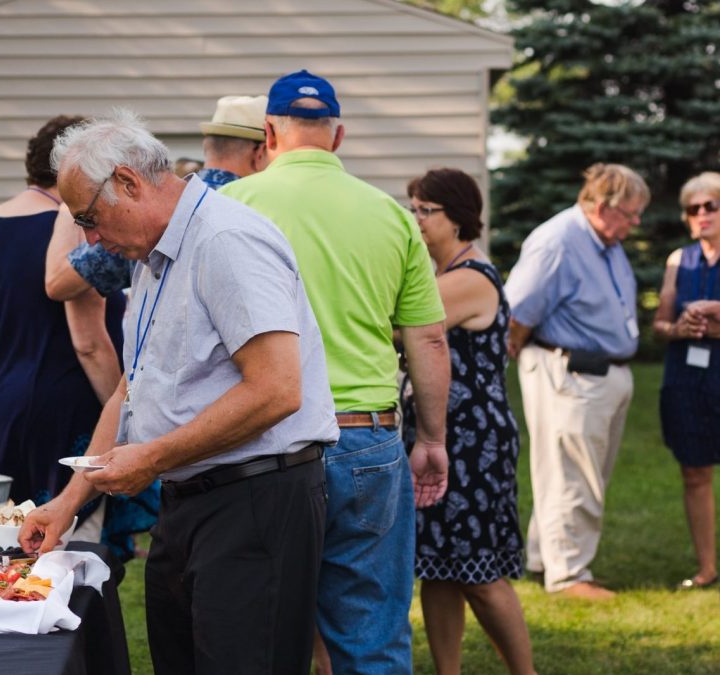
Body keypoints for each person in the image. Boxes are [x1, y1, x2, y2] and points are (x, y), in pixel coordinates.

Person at [19, 110, 339, 675]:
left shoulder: (226, 239)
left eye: (90, 219)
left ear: (128, 182)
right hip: (192, 498)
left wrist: (151, 458)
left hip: (255, 500)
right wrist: (70, 501)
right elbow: (132, 388)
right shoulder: (153, 254)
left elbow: (277, 390)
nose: (91, 238)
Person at [221, 70, 450, 674]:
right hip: (366, 438)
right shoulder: (392, 216)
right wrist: (432, 439)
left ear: (268, 133)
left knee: (261, 631)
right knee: (370, 632)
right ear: (338, 136)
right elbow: (427, 338)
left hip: (262, 437)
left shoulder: (228, 209)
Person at [0, 115, 124, 533]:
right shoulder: (76, 230)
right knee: (64, 540)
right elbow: (88, 342)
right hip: (61, 410)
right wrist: (123, 412)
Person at [401, 169, 534, 674]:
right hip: (438, 433)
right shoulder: (441, 274)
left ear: (456, 217)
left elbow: (402, 329)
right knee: (437, 567)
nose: (415, 219)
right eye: (412, 207)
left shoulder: (468, 279)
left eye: (424, 210)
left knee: (479, 570)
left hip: (470, 440)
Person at [505, 163, 650, 600]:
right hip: (568, 371)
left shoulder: (603, 239)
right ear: (603, 206)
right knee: (572, 474)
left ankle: (543, 559)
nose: (637, 221)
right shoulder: (557, 241)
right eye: (631, 212)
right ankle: (569, 575)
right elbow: (515, 314)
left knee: (572, 473)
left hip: (600, 372)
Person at [42, 94, 269, 303]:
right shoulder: (254, 210)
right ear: (260, 153)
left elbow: (58, 283)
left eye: (89, 219)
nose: (92, 236)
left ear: (207, 145)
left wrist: (68, 209)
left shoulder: (150, 212)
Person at [654, 171, 720, 590]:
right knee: (694, 472)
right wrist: (677, 328)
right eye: (692, 209)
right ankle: (707, 567)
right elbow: (659, 323)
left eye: (709, 206)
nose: (701, 215)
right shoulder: (678, 260)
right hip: (686, 377)